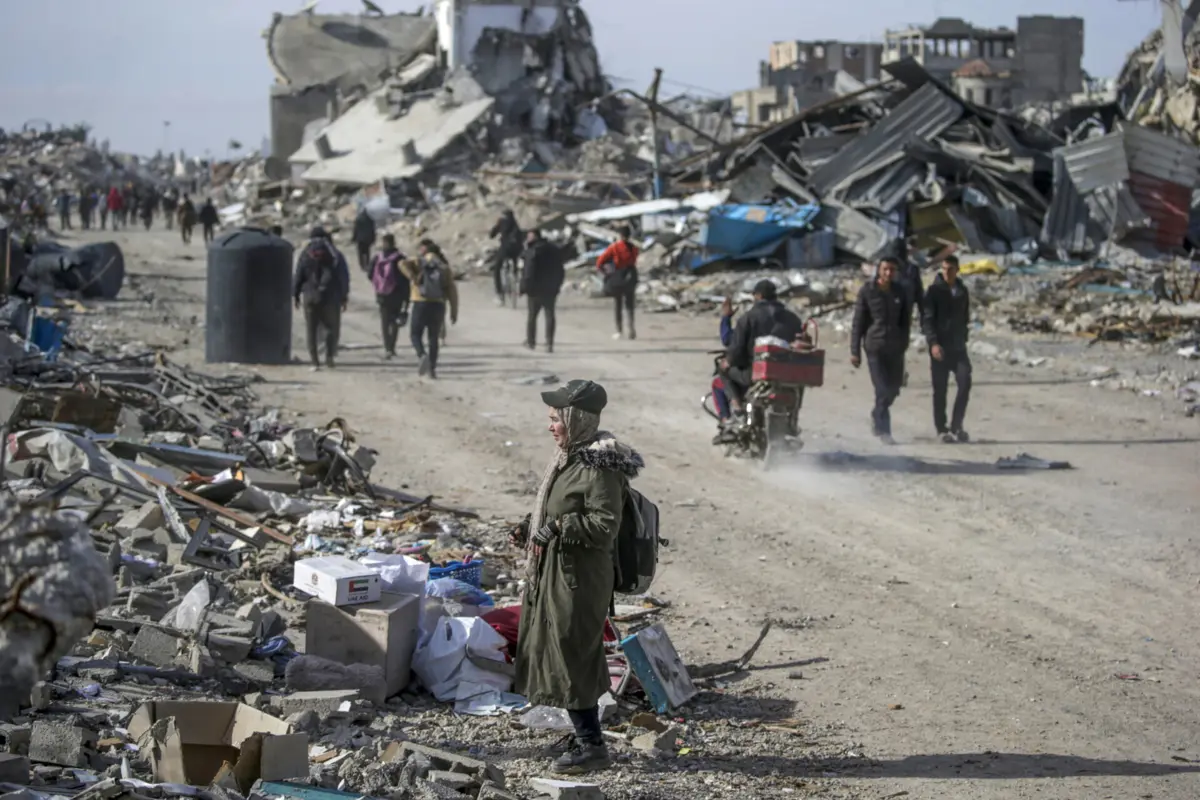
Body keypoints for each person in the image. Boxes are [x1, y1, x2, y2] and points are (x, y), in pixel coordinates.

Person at [512, 379, 643, 775]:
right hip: (558, 571)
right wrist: (529, 525)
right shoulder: (570, 457)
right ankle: (585, 736)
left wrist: (558, 528)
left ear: (577, 418)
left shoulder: (600, 466)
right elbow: (558, 507)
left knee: (572, 657)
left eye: (556, 419)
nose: (550, 426)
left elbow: (604, 524)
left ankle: (592, 747)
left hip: (578, 578)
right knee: (564, 653)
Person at [717, 280, 805, 423]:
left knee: (723, 369)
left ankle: (737, 407)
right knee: (797, 387)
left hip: (754, 373)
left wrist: (726, 318)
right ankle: (793, 420)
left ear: (758, 296)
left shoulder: (749, 318)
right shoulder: (793, 318)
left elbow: (732, 344)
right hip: (786, 373)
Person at [850, 257, 913, 445]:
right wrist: (855, 351)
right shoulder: (868, 291)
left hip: (895, 348)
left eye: (892, 270)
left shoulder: (900, 292)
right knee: (882, 389)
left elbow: (905, 321)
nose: (888, 273)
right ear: (878, 270)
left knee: (893, 389)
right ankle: (883, 429)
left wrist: (904, 344)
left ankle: (876, 413)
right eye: (885, 269)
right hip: (874, 347)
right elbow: (858, 322)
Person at [922, 255, 972, 443]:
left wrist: (964, 336)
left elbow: (965, 316)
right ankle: (942, 428)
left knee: (965, 382)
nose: (946, 272)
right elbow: (927, 320)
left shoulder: (962, 291)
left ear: (957, 270)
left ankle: (957, 425)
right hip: (940, 347)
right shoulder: (934, 291)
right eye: (944, 269)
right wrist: (933, 343)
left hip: (958, 347)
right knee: (940, 389)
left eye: (950, 269)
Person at [293, 226, 350, 371]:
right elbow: (343, 277)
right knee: (331, 327)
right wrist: (344, 296)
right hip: (330, 297)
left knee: (311, 329)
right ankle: (329, 357)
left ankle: (314, 362)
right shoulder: (335, 254)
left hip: (310, 296)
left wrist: (296, 295)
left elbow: (299, 275)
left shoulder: (306, 253)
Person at [400, 239, 458, 379]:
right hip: (438, 304)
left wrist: (412, 277)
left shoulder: (419, 262)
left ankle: (422, 354)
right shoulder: (444, 268)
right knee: (433, 339)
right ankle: (432, 369)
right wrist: (454, 311)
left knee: (415, 334)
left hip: (420, 303)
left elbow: (401, 263)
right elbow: (452, 291)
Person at [521, 229, 565, 352]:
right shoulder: (553, 249)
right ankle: (549, 343)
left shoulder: (532, 252)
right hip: (551, 287)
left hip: (535, 289)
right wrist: (558, 284)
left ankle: (531, 341)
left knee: (532, 316)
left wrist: (524, 287)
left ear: (534, 237)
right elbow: (560, 269)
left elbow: (528, 272)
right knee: (550, 315)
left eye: (529, 236)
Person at [369, 233, 409, 359]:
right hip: (397, 293)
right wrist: (406, 296)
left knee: (385, 322)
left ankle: (387, 348)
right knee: (395, 321)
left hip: (382, 294)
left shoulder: (378, 257)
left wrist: (379, 284)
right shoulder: (400, 258)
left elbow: (370, 273)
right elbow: (406, 277)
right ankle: (392, 346)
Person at [596, 225, 639, 340]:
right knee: (630, 304)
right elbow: (633, 261)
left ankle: (619, 331)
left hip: (618, 277)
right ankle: (631, 329)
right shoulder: (634, 248)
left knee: (618, 304)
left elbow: (599, 262)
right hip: (631, 277)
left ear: (619, 235)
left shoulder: (614, 248)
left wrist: (606, 273)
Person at [488, 209, 523, 304]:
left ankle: (500, 294)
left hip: (505, 250)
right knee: (516, 265)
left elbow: (491, 235)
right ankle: (516, 278)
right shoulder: (516, 225)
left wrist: (496, 226)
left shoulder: (502, 222)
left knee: (497, 269)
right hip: (516, 251)